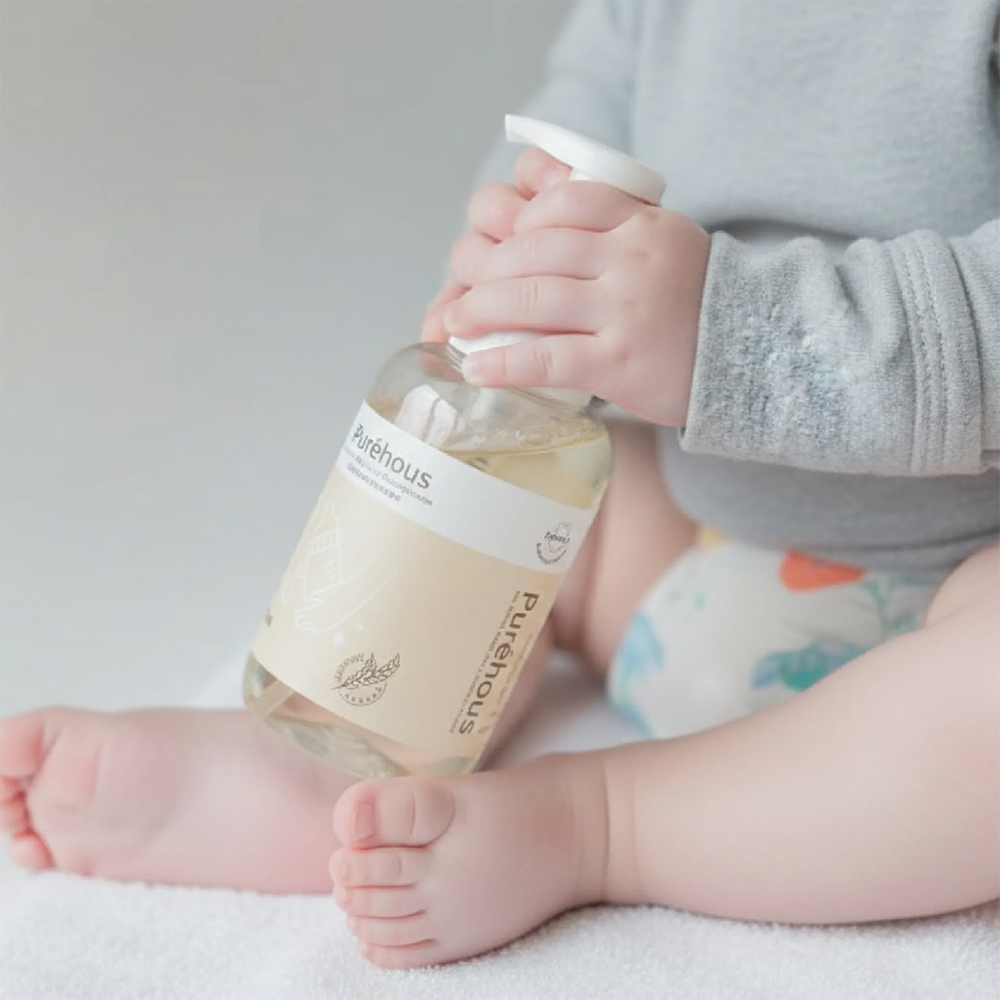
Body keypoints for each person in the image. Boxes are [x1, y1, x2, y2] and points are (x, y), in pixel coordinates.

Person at [2, 0, 998, 969]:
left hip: (961, 582)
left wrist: (731, 334)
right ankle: (342, 753)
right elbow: (580, 127)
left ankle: (600, 824)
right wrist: (531, 268)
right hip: (678, 548)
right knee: (487, 485)